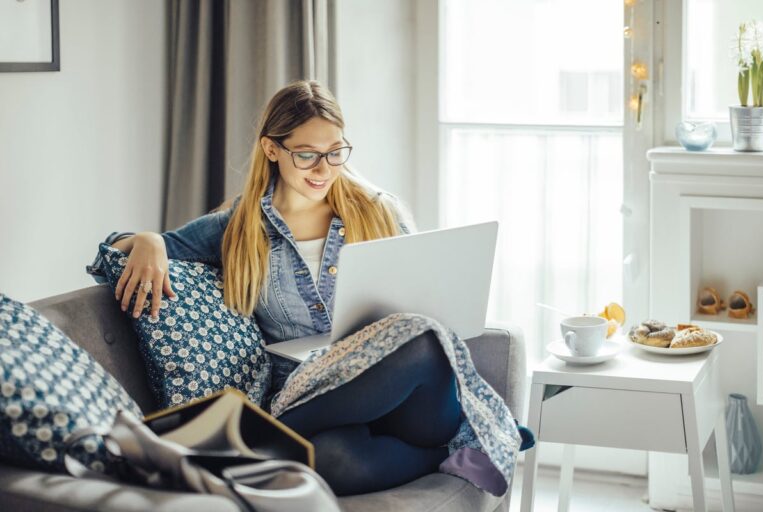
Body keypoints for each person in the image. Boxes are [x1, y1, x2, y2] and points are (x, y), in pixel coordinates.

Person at [88, 80, 525, 496]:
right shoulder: (238, 228)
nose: (324, 169)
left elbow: (428, 306)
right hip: (313, 400)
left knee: (424, 341)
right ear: (272, 149)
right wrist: (147, 240)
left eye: (336, 153)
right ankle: (445, 457)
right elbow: (113, 254)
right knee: (330, 463)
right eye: (307, 155)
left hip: (409, 399)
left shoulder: (379, 211)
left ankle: (245, 449)